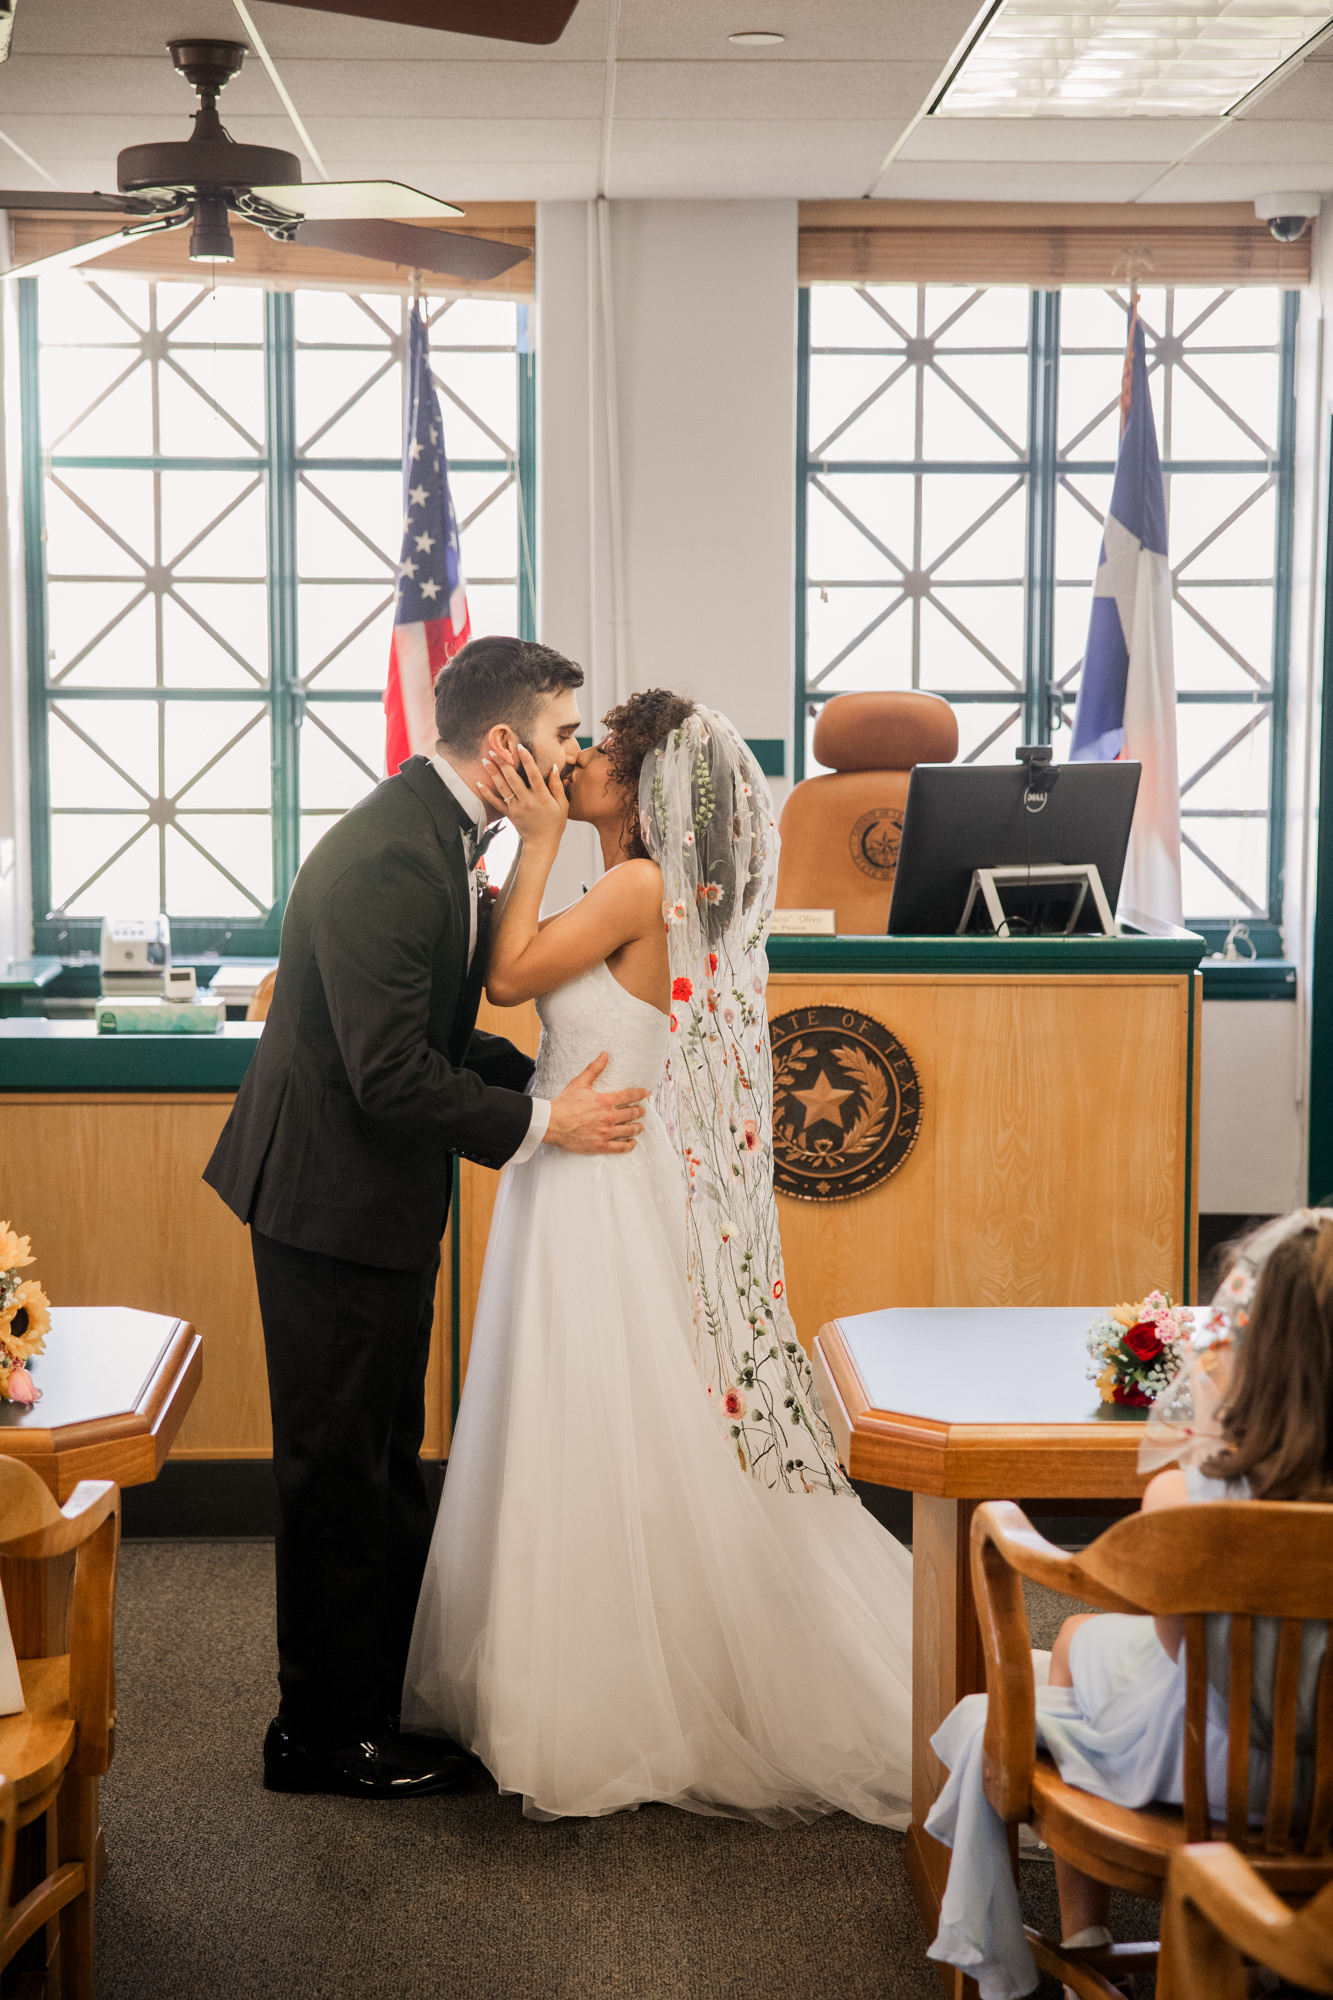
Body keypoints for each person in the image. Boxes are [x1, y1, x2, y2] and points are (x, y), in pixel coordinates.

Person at [402, 693, 915, 1825]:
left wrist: (530, 845)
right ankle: (577, 1670)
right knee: (585, 1419)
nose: (574, 760)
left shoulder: (635, 885)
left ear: (636, 793)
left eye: (597, 753)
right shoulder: (628, 884)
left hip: (596, 1179)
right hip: (581, 1159)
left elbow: (511, 976)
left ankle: (600, 1700)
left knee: (596, 1414)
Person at [203, 636, 649, 1800]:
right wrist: (547, 1121)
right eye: (566, 735)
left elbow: (439, 1037)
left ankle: (376, 1704)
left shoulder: (442, 835)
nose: (579, 751)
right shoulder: (395, 859)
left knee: (383, 1460)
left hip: (371, 1197)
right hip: (326, 1203)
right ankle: (319, 1737)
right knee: (339, 1473)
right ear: (505, 747)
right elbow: (390, 1074)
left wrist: (545, 1072)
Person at [925, 1208, 1333, 2000]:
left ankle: (1085, 1941)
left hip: (1220, 1782)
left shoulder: (1191, 1493)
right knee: (1083, 1639)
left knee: (1078, 1640)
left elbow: (1185, 1651)